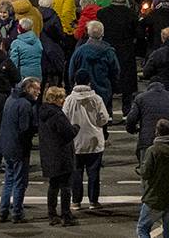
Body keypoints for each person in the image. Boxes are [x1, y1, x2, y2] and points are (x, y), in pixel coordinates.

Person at [0, 75, 40, 223]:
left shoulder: (10, 99)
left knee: (8, 179)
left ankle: (3, 211)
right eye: (36, 89)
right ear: (28, 88)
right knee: (20, 182)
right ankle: (17, 213)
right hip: (19, 148)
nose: (38, 92)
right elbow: (25, 129)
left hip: (6, 145)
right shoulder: (25, 104)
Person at [65, 69, 111, 212]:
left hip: (76, 141)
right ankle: (93, 201)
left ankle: (76, 202)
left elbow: (64, 118)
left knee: (76, 172)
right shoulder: (96, 99)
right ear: (89, 82)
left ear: (75, 82)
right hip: (94, 140)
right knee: (93, 173)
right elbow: (103, 118)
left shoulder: (69, 100)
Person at [136, 121, 169, 238]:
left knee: (142, 228)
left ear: (157, 132)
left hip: (154, 197)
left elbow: (145, 173)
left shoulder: (153, 151)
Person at [36, 84, 80, 225]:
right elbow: (69, 133)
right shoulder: (57, 114)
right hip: (62, 155)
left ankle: (52, 214)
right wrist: (76, 127)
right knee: (66, 187)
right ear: (56, 99)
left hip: (49, 154)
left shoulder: (43, 113)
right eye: (62, 98)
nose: (64, 100)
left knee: (53, 186)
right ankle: (66, 215)